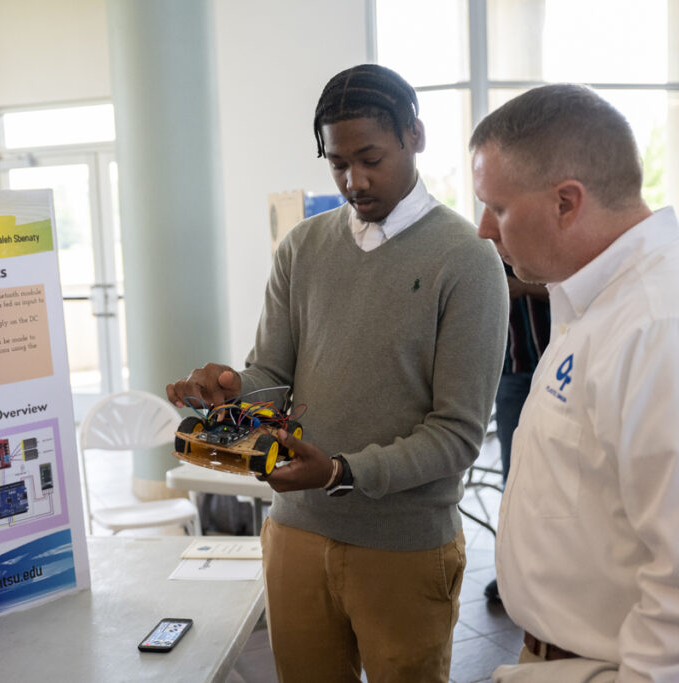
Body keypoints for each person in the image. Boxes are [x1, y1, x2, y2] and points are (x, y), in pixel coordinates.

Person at [167, 64, 508, 682]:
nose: (354, 180)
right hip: (295, 532)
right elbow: (272, 372)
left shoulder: (467, 259)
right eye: (337, 163)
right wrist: (231, 390)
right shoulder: (302, 247)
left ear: (416, 135)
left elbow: (458, 435)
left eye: (370, 157)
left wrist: (343, 473)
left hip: (404, 545)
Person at [470, 83, 679, 682]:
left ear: (567, 202)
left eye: (498, 208)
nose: (484, 229)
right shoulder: (597, 298)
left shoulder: (671, 326)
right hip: (568, 657)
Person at [484, 265, 550, 602]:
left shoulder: (547, 252)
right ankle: (511, 571)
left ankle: (550, 568)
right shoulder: (486, 255)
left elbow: (569, 292)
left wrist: (524, 288)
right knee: (514, 477)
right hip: (511, 375)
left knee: (556, 474)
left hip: (555, 368)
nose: (488, 228)